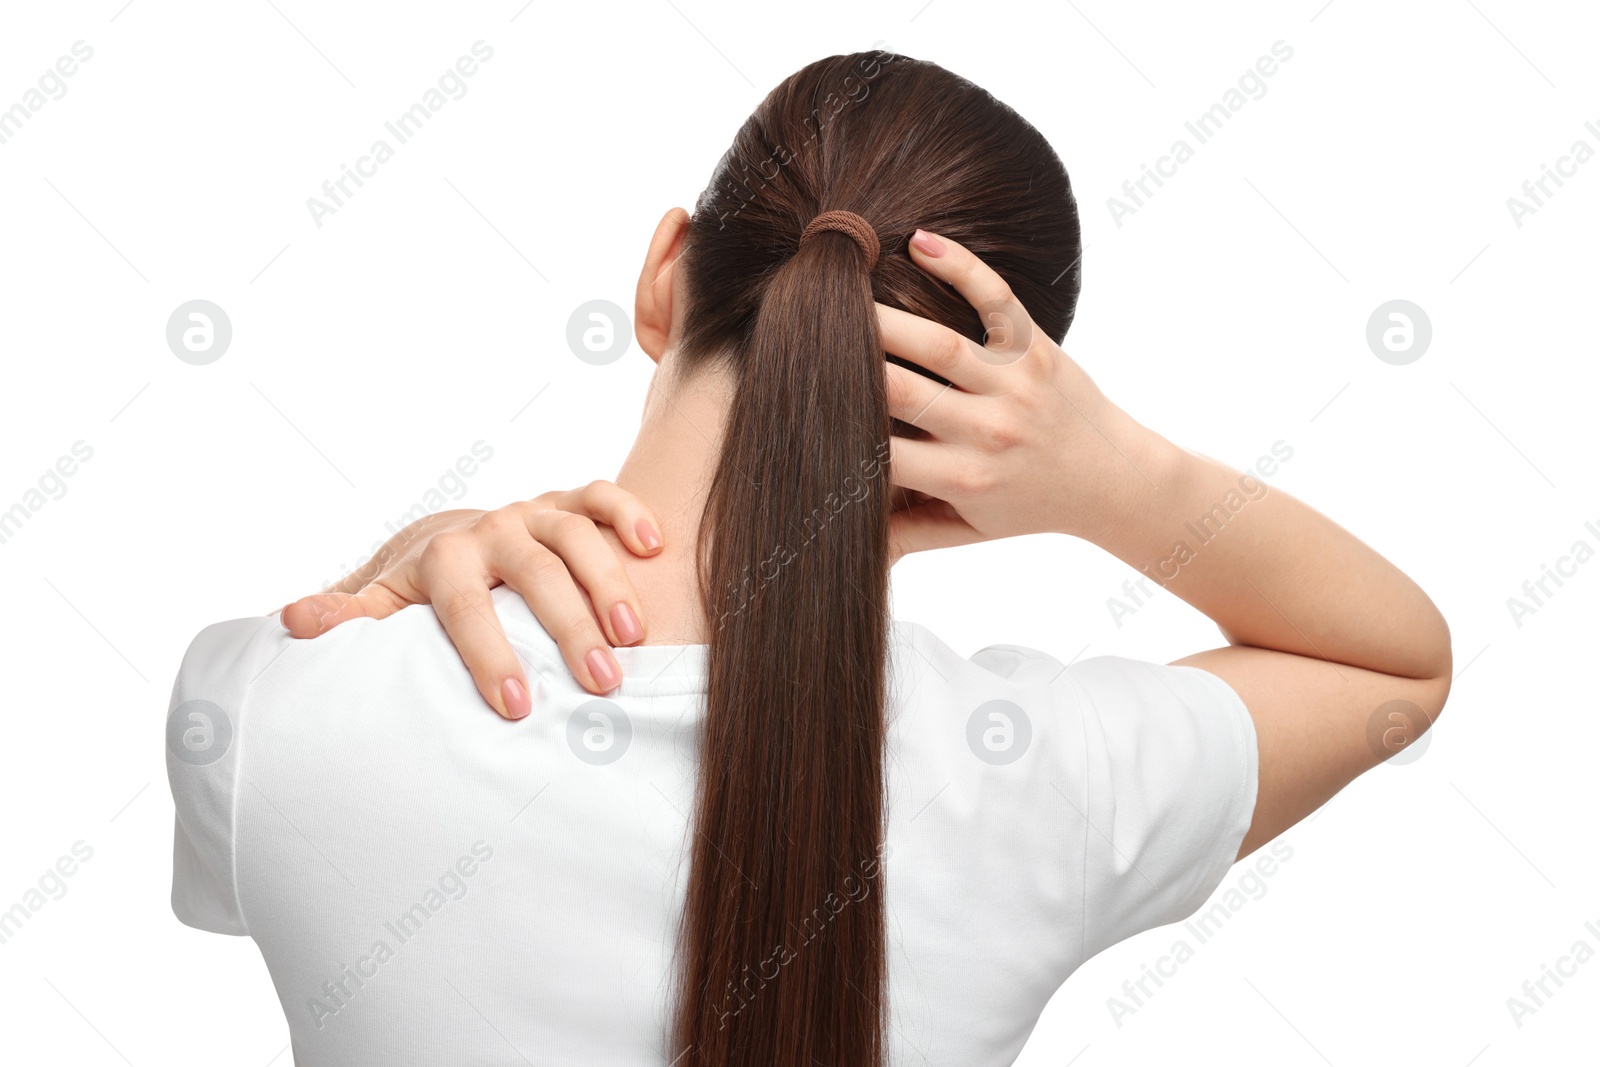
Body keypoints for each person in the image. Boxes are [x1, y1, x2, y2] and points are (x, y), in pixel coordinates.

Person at [168, 51, 1452, 1067]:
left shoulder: (269, 710)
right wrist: (1112, 473)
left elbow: (309, 659)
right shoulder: (1035, 777)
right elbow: (1393, 661)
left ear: (665, 270)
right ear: (991, 417)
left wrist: (413, 559)